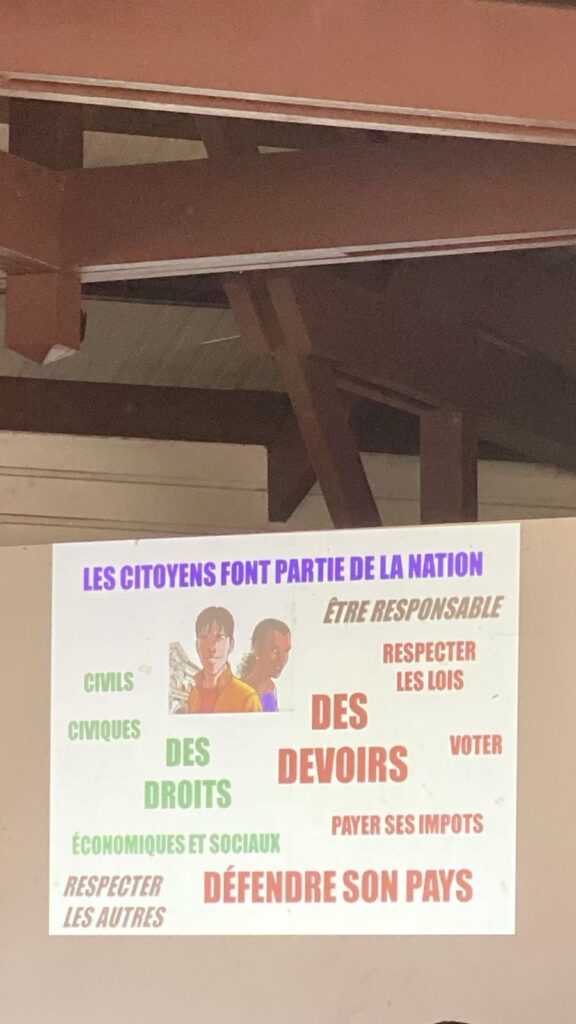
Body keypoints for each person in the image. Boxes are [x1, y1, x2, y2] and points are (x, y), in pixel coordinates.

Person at [187, 607, 262, 713]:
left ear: (231, 645)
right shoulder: (193, 695)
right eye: (203, 637)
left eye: (219, 638)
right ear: (196, 645)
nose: (212, 648)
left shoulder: (247, 697)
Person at [240, 619, 291, 712]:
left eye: (286, 651)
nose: (282, 660)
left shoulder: (271, 688)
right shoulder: (242, 692)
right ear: (257, 648)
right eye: (274, 650)